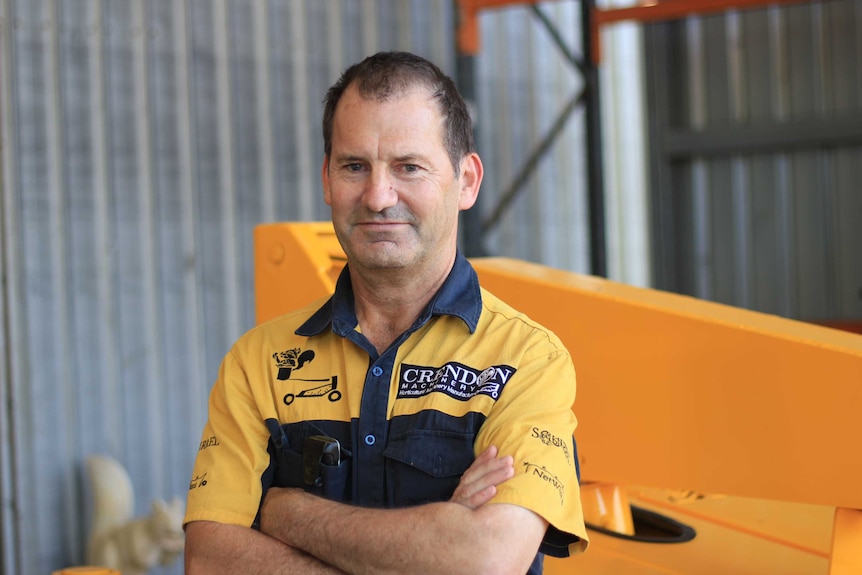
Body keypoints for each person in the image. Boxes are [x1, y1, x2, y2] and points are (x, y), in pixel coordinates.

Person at [183, 51, 589, 575]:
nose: (377, 197)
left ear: (467, 181)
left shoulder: (526, 361)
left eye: (408, 167)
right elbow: (211, 561)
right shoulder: (257, 362)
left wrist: (290, 514)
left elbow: (483, 560)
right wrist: (434, 540)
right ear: (327, 180)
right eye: (355, 166)